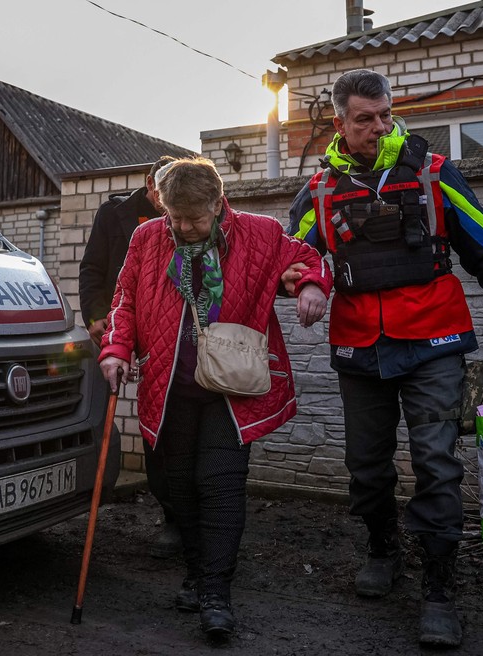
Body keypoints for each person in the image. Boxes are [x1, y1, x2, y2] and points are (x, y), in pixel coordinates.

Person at [286, 69, 483, 648]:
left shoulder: (436, 174)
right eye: (364, 118)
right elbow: (294, 258)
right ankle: (382, 550)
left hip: (435, 342)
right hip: (358, 346)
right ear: (338, 123)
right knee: (366, 465)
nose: (378, 126)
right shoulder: (317, 192)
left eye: (385, 114)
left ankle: (440, 588)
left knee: (436, 461)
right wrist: (307, 284)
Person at [99, 157, 332, 640]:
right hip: (168, 388)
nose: (183, 228)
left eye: (194, 220)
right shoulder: (147, 239)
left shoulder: (259, 233)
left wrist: (311, 286)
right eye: (175, 218)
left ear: (218, 204)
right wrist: (116, 349)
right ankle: (196, 570)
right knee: (177, 486)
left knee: (221, 485)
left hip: (231, 390)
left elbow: (308, 259)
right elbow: (124, 299)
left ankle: (215, 593)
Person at [79, 156, 181, 559]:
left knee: (166, 423)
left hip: (166, 333)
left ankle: (178, 515)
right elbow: (91, 269)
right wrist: (96, 317)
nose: (164, 198)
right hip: (120, 329)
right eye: (159, 188)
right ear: (148, 183)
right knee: (139, 423)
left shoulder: (185, 212)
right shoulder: (115, 214)